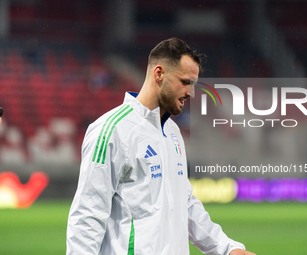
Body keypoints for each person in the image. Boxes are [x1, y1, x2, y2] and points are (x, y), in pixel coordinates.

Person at [67, 38, 256, 255]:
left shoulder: (173, 134)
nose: (191, 93)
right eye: (185, 82)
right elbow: (88, 215)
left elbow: (184, 204)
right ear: (159, 74)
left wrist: (227, 248)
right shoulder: (111, 130)